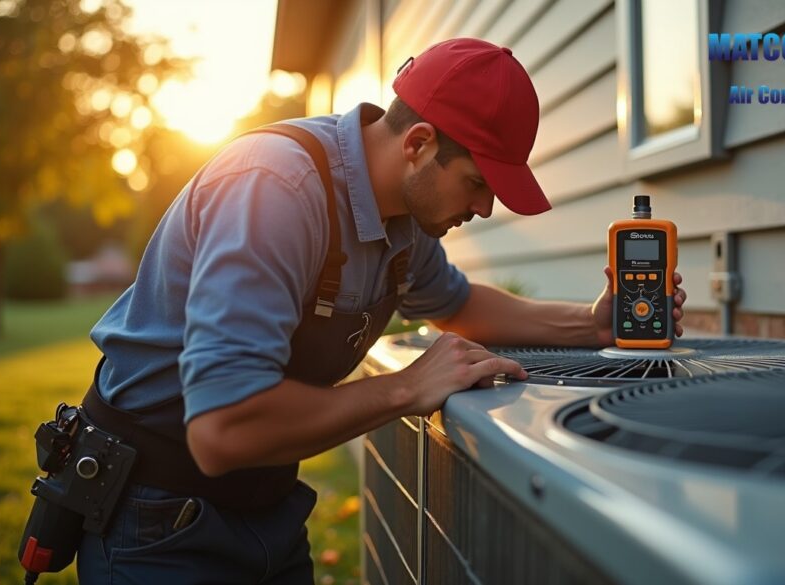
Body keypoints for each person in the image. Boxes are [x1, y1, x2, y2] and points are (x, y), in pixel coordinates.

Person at [75, 38, 687, 583]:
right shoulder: (275, 188)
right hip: (157, 520)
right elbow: (222, 428)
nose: (485, 210)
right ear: (419, 144)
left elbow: (460, 305)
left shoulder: (406, 221)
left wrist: (591, 324)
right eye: (477, 184)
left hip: (267, 507)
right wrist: (405, 389)